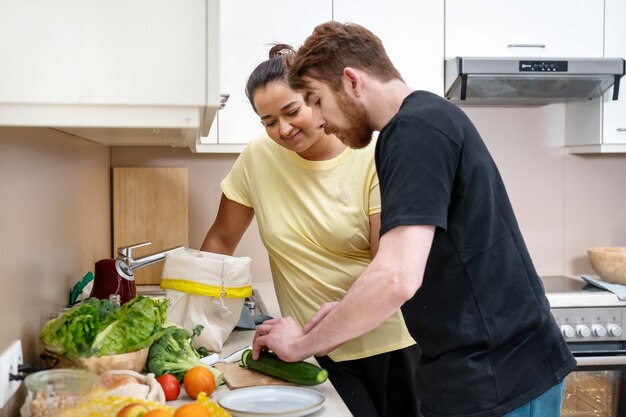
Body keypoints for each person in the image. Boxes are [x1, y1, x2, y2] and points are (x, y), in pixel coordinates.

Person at [251, 23, 577, 417]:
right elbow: (410, 264)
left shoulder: (414, 130)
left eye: (316, 101)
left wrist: (301, 345)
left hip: (501, 379)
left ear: (351, 81)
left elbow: (396, 276)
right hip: (480, 374)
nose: (318, 120)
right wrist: (341, 311)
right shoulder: (418, 123)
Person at [200, 44, 421, 417]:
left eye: (292, 111)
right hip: (309, 351)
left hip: (387, 346)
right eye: (268, 121)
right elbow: (220, 240)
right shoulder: (258, 156)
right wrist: (197, 323)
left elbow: (386, 266)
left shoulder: (371, 157)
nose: (282, 129)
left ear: (318, 101)